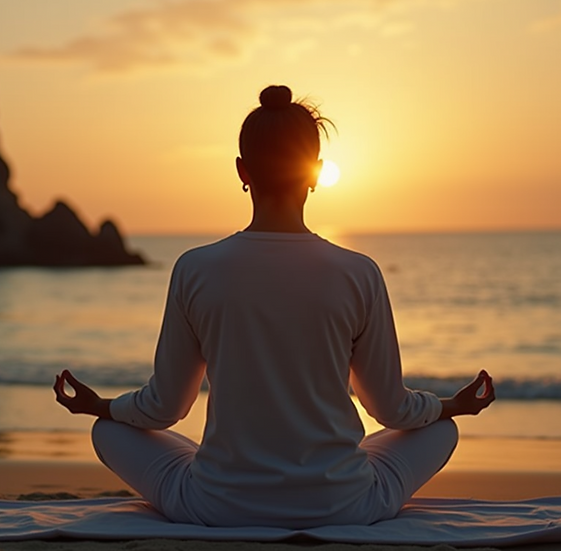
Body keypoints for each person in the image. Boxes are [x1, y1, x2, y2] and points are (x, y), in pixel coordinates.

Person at [53, 84, 496, 528]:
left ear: (242, 170)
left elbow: (164, 408)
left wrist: (102, 406)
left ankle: (225, 475)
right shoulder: (359, 273)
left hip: (217, 506)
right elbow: (391, 409)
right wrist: (449, 406)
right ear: (316, 172)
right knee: (441, 429)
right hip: (345, 506)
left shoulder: (195, 269)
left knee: (108, 432)